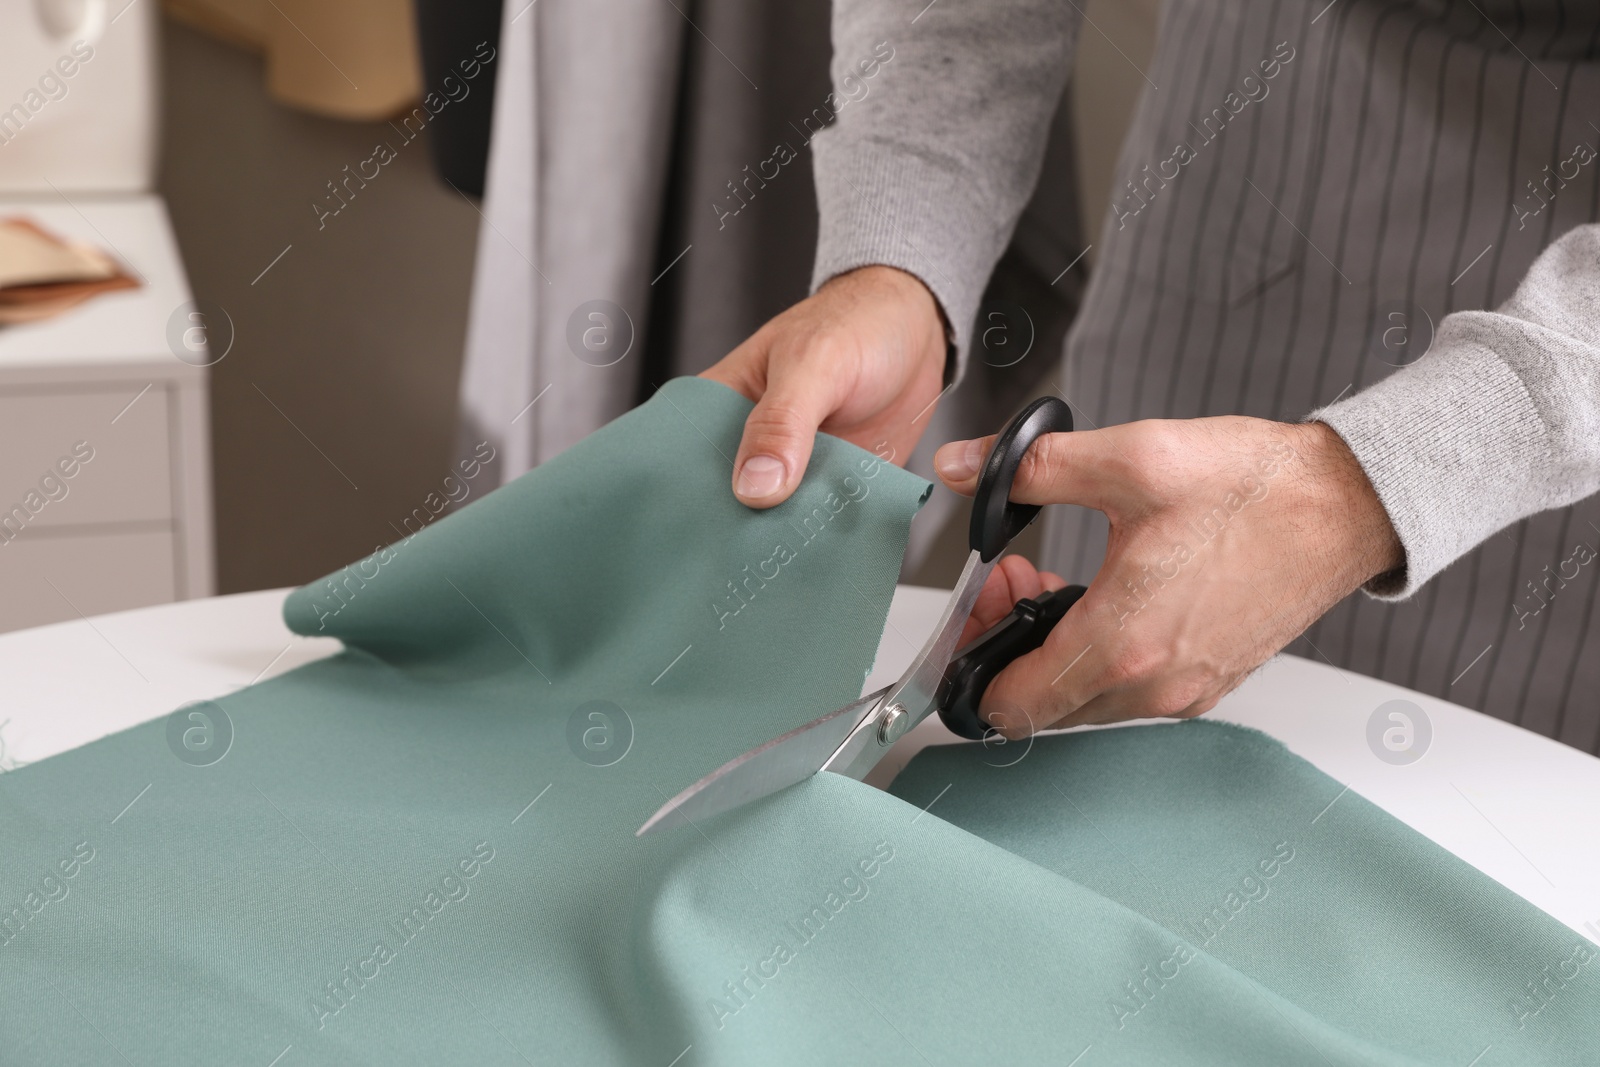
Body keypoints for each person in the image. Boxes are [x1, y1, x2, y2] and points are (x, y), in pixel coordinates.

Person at [701, 0, 1600, 746]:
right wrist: (900, 257)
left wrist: (1383, 478)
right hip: (1247, 161)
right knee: (1073, 756)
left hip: (1563, 446)